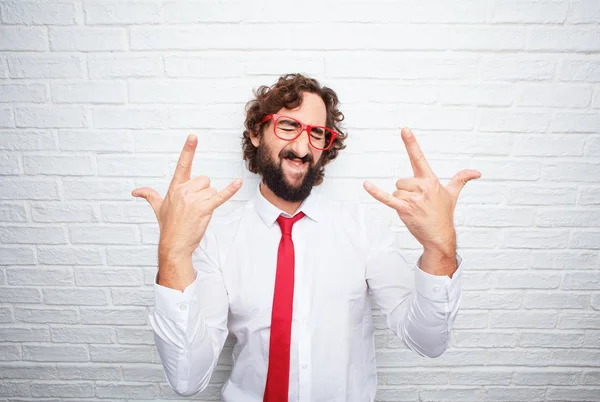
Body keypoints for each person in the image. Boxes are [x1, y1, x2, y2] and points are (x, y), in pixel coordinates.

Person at [132, 74, 481, 402]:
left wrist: (440, 248)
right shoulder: (217, 240)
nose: (302, 147)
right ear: (257, 132)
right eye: (288, 126)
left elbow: (428, 341)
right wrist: (173, 255)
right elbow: (187, 378)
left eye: (317, 134)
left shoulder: (363, 228)